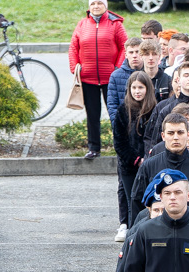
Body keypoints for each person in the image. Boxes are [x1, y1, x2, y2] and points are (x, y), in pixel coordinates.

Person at [131, 113, 189, 235]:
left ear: (188, 135)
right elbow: (137, 204)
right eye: (170, 133)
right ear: (163, 136)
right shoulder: (149, 166)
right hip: (156, 234)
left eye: (180, 132)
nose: (175, 137)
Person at [69, 0, 128, 160]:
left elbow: (125, 46)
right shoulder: (82, 24)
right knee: (92, 116)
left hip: (111, 79)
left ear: (106, 6)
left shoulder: (115, 24)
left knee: (116, 114)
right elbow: (74, 47)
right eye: (93, 3)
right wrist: (74, 68)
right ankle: (94, 148)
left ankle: (121, 147)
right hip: (88, 79)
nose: (96, 6)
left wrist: (118, 67)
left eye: (100, 3)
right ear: (89, 7)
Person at [114, 71, 156, 239]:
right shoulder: (123, 110)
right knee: (132, 198)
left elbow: (155, 137)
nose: (137, 91)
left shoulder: (155, 109)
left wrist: (148, 158)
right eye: (134, 87)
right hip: (129, 165)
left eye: (141, 87)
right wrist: (136, 160)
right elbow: (119, 141)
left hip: (150, 163)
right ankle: (132, 232)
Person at [107, 37, 144, 122]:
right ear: (126, 55)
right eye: (131, 52)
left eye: (137, 52)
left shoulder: (149, 73)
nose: (134, 55)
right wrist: (117, 127)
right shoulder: (115, 76)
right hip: (124, 124)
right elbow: (112, 105)